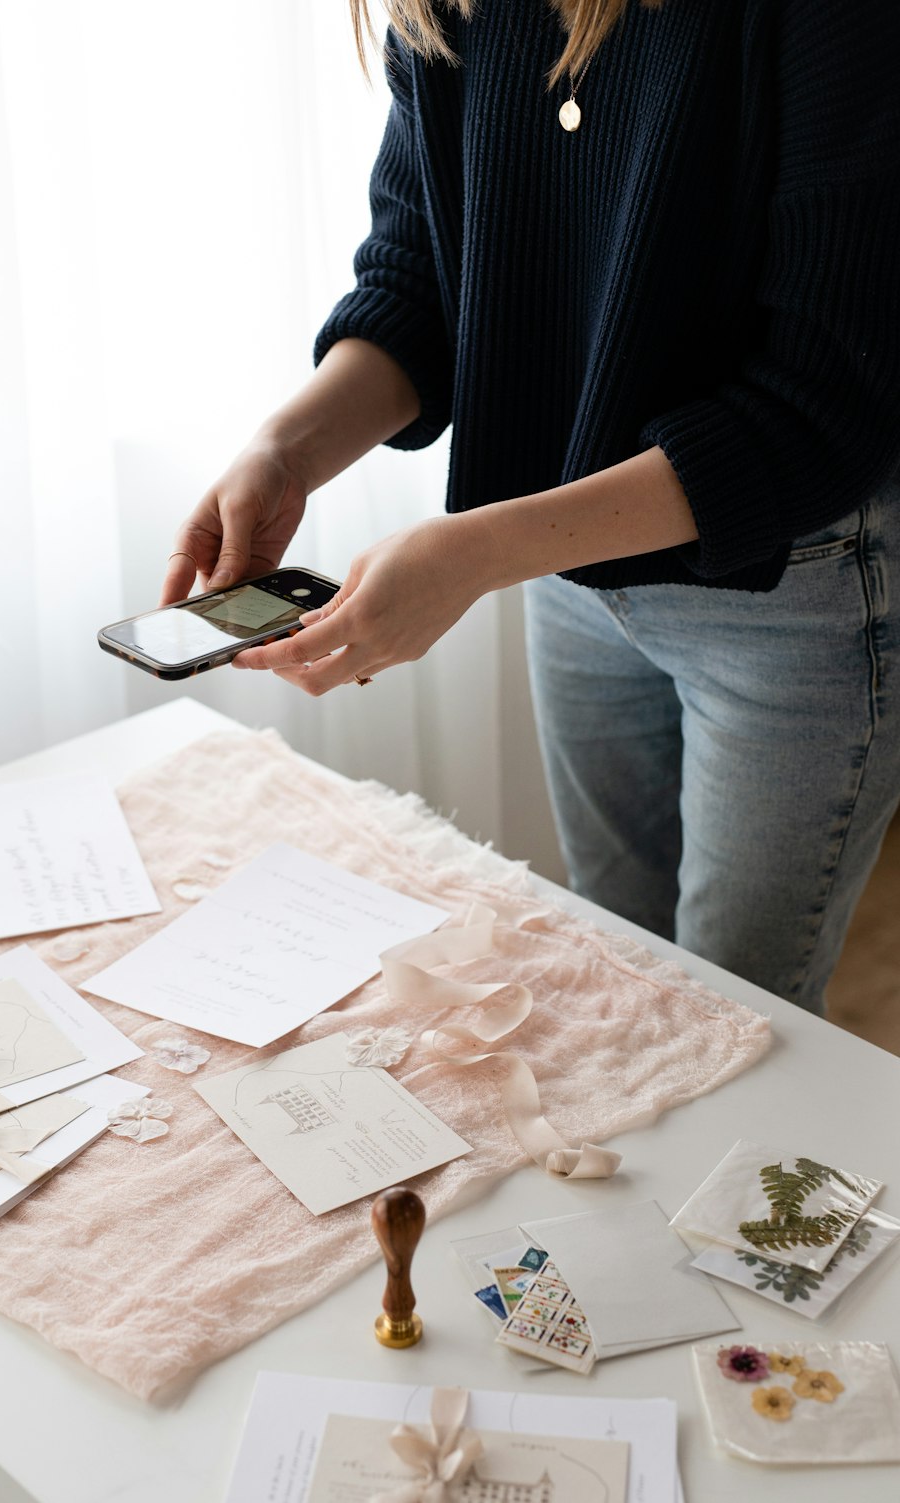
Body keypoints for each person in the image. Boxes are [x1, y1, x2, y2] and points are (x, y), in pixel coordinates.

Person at [160, 0, 900, 1016]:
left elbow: (824, 404)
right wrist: (285, 450)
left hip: (788, 589)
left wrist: (473, 554)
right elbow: (421, 276)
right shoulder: (448, 7)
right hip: (568, 570)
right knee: (614, 965)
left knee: (741, 1017)